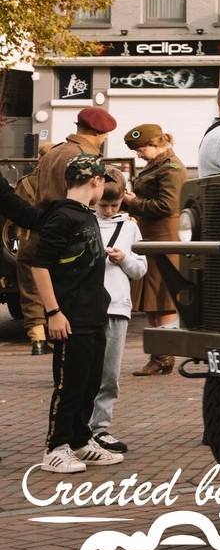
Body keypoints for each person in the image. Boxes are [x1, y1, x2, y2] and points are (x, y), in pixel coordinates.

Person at [21, 154, 124, 473]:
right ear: (95, 182)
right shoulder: (63, 217)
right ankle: (55, 447)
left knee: (90, 381)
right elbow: (39, 265)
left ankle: (80, 440)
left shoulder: (85, 215)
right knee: (70, 385)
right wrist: (53, 312)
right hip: (70, 316)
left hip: (94, 314)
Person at [21, 107, 115, 356]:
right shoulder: (83, 157)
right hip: (69, 231)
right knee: (70, 297)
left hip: (41, 224)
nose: (105, 140)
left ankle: (37, 336)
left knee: (35, 285)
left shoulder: (54, 152)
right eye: (104, 135)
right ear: (97, 132)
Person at [121, 123, 187, 371]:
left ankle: (164, 356)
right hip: (150, 237)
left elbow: (166, 206)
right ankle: (159, 355)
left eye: (142, 148)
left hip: (165, 236)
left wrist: (133, 201)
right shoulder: (156, 165)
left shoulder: (172, 168)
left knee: (163, 299)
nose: (139, 153)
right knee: (151, 299)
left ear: (157, 143)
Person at [91, 177, 146, 455]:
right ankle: (82, 428)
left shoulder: (130, 227)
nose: (108, 210)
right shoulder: (84, 221)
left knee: (109, 372)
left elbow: (140, 270)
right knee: (87, 370)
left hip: (116, 304)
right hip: (87, 305)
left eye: (114, 205)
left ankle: (100, 427)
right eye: (104, 205)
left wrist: (123, 258)